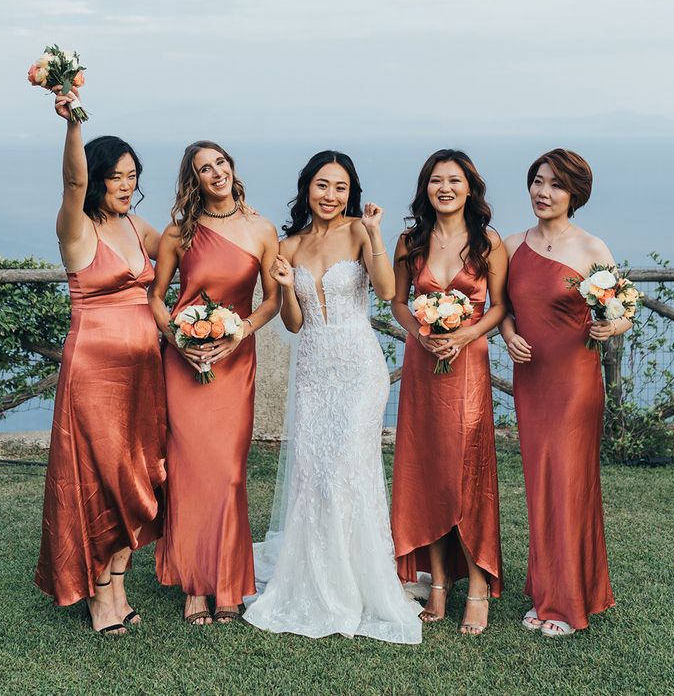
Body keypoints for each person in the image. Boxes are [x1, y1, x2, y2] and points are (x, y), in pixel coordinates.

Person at [243, 150, 422, 644]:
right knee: (315, 470)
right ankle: (315, 576)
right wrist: (285, 288)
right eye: (322, 185)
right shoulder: (289, 244)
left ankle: (359, 582)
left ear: (351, 192)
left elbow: (386, 290)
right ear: (307, 188)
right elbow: (294, 324)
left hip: (359, 365)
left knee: (347, 466)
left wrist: (378, 234)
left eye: (340, 187)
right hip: (314, 368)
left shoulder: (361, 231)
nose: (330, 195)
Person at [35, 87, 166, 635]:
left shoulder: (138, 228)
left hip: (147, 372)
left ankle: (117, 579)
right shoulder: (77, 228)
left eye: (134, 175)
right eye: (117, 176)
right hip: (96, 372)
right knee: (100, 475)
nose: (128, 185)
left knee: (139, 471)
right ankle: (99, 593)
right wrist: (71, 124)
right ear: (98, 177)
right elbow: (72, 183)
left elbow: (192, 245)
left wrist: (238, 214)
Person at [148, 141, 280, 625]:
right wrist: (177, 339)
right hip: (183, 364)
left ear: (232, 167)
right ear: (194, 180)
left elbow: (271, 301)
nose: (216, 172)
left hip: (235, 362)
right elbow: (158, 298)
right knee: (188, 470)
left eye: (221, 163)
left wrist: (241, 331)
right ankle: (195, 585)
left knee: (227, 472)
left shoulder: (263, 229)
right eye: (205, 169)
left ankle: (226, 581)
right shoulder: (178, 234)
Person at [500, 148, 631, 637]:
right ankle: (549, 590)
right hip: (531, 381)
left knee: (568, 484)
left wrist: (610, 326)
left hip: (575, 382)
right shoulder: (511, 245)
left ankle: (565, 605)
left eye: (555, 184)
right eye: (537, 181)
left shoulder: (592, 248)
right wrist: (508, 333)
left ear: (574, 193)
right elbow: (503, 307)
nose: (543, 192)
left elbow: (622, 309)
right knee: (540, 485)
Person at [390, 149, 506, 634]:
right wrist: (419, 334)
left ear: (469, 187)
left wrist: (463, 335)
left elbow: (499, 307)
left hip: (468, 367)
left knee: (467, 471)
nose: (445, 188)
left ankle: (477, 584)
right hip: (422, 367)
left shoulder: (489, 242)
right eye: (436, 180)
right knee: (428, 470)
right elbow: (398, 302)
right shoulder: (410, 241)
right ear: (425, 188)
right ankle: (438, 582)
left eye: (454, 180)